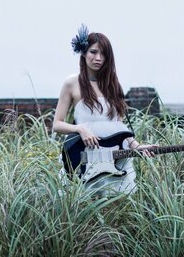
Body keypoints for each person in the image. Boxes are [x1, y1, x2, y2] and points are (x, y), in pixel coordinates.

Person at [53, 25, 155, 195]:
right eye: (93, 52)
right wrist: (80, 129)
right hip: (85, 157)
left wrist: (137, 146)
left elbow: (119, 127)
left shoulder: (113, 85)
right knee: (83, 205)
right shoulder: (72, 83)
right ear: (84, 52)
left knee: (117, 207)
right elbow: (57, 124)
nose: (98, 58)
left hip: (114, 159)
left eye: (103, 54)